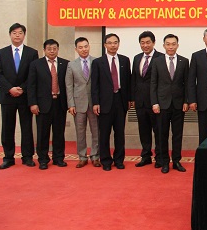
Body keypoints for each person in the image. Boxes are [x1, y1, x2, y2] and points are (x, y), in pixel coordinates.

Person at [0, 23, 39, 169]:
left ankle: (27, 157)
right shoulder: (2, 53)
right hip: (7, 96)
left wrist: (22, 89)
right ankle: (8, 157)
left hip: (25, 96)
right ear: (10, 35)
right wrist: (10, 88)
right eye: (14, 32)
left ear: (24, 35)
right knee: (7, 128)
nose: (17, 35)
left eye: (20, 33)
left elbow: (33, 75)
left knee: (26, 127)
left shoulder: (32, 53)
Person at [91, 33, 131, 171]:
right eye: (110, 43)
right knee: (104, 134)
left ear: (118, 44)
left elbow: (128, 81)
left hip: (120, 100)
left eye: (115, 42)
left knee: (119, 133)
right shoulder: (98, 62)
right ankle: (106, 160)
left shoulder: (125, 60)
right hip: (104, 102)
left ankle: (119, 160)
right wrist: (95, 102)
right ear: (105, 45)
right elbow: (94, 85)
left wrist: (129, 99)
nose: (113, 45)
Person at [150, 34, 189, 173]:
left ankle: (176, 161)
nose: (171, 46)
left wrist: (186, 101)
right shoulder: (157, 61)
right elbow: (153, 83)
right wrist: (154, 102)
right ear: (163, 45)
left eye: (173, 44)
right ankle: (164, 161)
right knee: (162, 134)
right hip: (162, 104)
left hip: (179, 104)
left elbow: (187, 83)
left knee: (177, 134)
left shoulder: (184, 61)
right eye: (168, 44)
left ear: (177, 45)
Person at [27, 39, 69, 170]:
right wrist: (33, 103)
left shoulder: (65, 64)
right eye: (49, 49)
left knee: (59, 133)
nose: (52, 51)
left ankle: (58, 158)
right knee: (42, 133)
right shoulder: (36, 64)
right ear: (44, 50)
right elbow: (31, 85)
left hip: (60, 103)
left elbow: (68, 85)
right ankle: (43, 159)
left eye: (54, 48)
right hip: (42, 104)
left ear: (58, 49)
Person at [130, 30, 164, 168]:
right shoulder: (137, 58)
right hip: (140, 101)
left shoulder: (161, 57)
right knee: (143, 130)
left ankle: (160, 157)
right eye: (142, 43)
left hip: (156, 102)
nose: (145, 45)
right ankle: (146, 156)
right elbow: (134, 79)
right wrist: (132, 98)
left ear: (154, 43)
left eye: (148, 42)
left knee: (158, 131)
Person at [65, 37, 100, 168]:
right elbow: (69, 86)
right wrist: (71, 104)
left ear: (89, 46)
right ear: (76, 49)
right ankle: (82, 157)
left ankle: (95, 156)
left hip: (94, 103)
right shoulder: (71, 65)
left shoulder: (97, 62)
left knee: (96, 131)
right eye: (80, 47)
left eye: (86, 46)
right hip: (78, 103)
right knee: (80, 132)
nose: (84, 49)